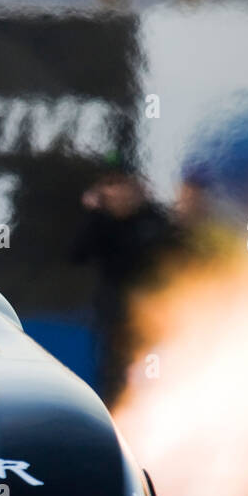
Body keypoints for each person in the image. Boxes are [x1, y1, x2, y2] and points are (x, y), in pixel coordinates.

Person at [69, 167, 179, 406]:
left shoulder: (152, 221)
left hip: (152, 316)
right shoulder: (102, 224)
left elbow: (157, 255)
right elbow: (77, 254)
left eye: (122, 186)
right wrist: (96, 214)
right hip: (114, 318)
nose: (117, 194)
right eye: (111, 187)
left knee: (153, 375)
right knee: (114, 378)